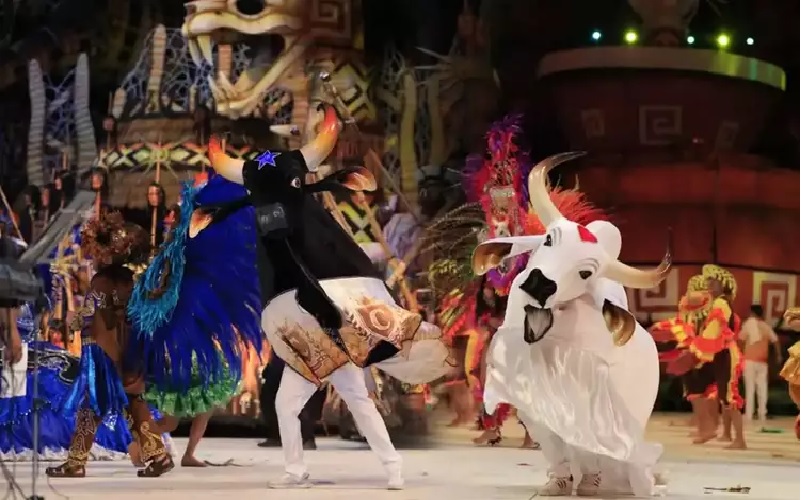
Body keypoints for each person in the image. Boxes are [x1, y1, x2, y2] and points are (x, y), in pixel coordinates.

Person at [127, 175, 262, 467]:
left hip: (194, 349)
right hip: (181, 355)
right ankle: (141, 443)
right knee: (174, 419)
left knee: (207, 402)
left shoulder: (188, 259)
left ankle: (185, 453)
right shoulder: (177, 261)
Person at [45, 212, 174, 478]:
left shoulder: (101, 281)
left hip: (102, 352)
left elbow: (91, 313)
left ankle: (76, 463)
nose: (93, 258)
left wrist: (71, 321)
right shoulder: (129, 279)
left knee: (92, 405)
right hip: (124, 348)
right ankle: (158, 456)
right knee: (132, 403)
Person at [668, 265, 746, 449]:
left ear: (722, 285)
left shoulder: (721, 304)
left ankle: (739, 439)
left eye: (713, 281)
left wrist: (695, 350)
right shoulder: (717, 303)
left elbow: (713, 332)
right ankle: (722, 433)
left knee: (729, 397)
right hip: (719, 353)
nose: (709, 284)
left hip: (726, 354)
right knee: (722, 396)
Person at [258, 352, 325, 450]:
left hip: (305, 357)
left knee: (304, 398)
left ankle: (307, 438)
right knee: (269, 394)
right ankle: (277, 435)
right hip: (282, 356)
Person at [740, 305, 781, 422]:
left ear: (752, 313)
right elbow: (775, 341)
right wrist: (779, 355)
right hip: (762, 361)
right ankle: (762, 413)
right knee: (762, 389)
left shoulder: (748, 325)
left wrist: (741, 354)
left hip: (749, 361)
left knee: (750, 388)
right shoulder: (766, 326)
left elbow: (741, 340)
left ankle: (749, 414)